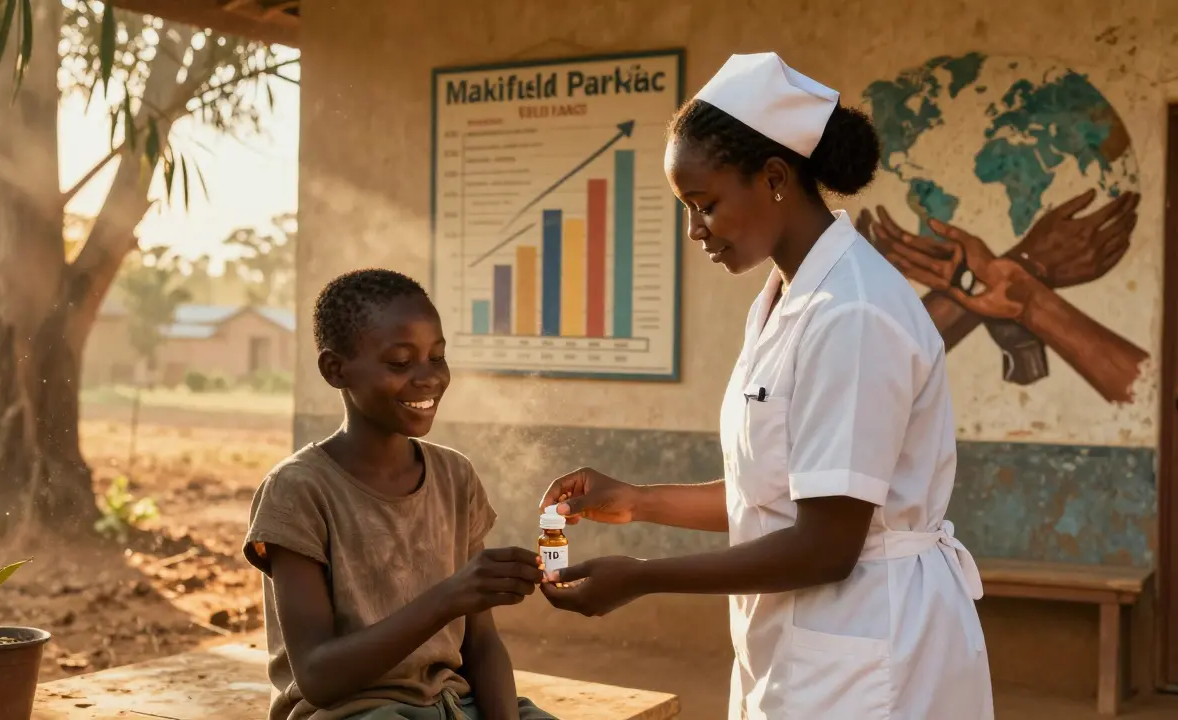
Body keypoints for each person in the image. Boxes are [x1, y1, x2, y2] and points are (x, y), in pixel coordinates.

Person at [539, 53, 994, 719]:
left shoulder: (852, 313)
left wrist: (642, 577)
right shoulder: (787, 299)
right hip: (806, 646)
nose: (695, 231)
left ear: (775, 177)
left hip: (870, 650)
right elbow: (778, 497)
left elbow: (826, 545)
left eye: (705, 204)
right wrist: (637, 500)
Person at [244, 269, 553, 720]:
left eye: (437, 357)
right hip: (358, 713)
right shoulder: (298, 491)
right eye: (400, 363)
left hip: (454, 705)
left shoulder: (455, 476)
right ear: (336, 370)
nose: (428, 378)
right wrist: (449, 597)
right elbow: (316, 677)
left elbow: (482, 644)